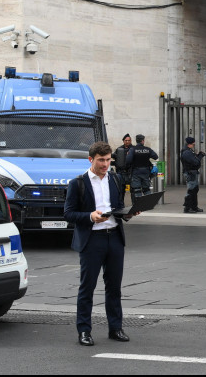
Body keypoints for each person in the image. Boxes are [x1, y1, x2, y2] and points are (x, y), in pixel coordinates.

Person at [63, 141, 138, 347]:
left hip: (114, 237)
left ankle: (115, 328)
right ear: (91, 159)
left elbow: (118, 206)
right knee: (87, 288)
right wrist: (90, 216)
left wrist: (128, 213)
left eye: (108, 160)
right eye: (101, 160)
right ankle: (84, 331)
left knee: (114, 287)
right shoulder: (77, 183)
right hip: (92, 240)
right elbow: (68, 214)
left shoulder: (115, 179)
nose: (105, 164)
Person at [179, 137, 205, 213]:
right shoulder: (187, 152)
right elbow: (195, 162)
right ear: (190, 143)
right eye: (193, 143)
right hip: (190, 173)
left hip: (193, 172)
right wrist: (200, 156)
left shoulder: (189, 151)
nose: (194, 144)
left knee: (195, 189)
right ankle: (187, 208)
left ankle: (194, 207)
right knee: (191, 190)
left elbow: (194, 160)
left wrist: (198, 155)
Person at [111, 134, 133, 202]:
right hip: (121, 172)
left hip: (131, 172)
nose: (127, 142)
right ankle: (121, 205)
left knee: (133, 190)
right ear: (123, 141)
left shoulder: (133, 149)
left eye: (129, 140)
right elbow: (115, 159)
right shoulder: (119, 149)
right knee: (121, 190)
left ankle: (134, 205)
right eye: (126, 140)